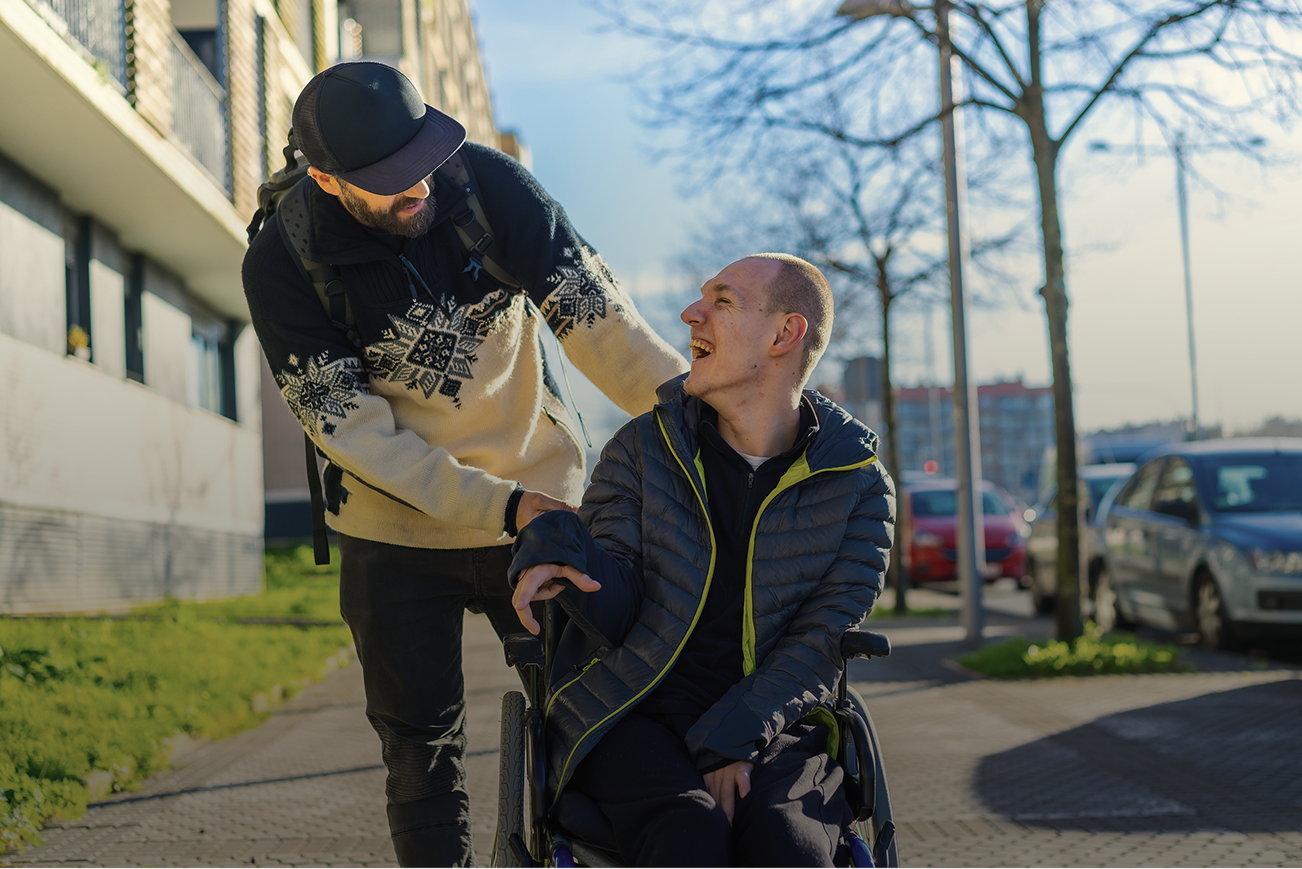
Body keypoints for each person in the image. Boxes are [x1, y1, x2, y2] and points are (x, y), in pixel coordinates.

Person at [241, 62, 686, 867]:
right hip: (395, 529)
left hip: (543, 506)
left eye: (423, 160)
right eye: (390, 180)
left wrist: (698, 420)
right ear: (326, 180)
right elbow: (354, 432)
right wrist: (501, 504)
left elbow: (601, 325)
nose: (420, 186)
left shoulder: (488, 185)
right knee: (420, 751)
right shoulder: (282, 261)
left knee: (595, 720)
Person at [509, 254, 895, 867]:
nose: (691, 314)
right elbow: (618, 612)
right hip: (632, 709)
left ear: (784, 334)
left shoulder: (859, 483)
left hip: (777, 719)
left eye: (722, 300)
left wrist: (735, 735)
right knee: (689, 832)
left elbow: (822, 639)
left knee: (790, 844)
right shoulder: (641, 449)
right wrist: (561, 543)